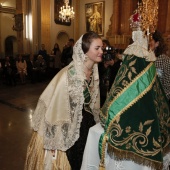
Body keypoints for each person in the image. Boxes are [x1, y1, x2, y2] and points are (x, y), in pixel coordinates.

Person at [99, 6, 170, 170]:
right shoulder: (138, 55)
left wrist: (159, 101)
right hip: (136, 105)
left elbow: (166, 86)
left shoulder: (161, 60)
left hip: (154, 104)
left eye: (150, 39)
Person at [24, 31, 103, 170]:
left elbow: (92, 102)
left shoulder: (94, 70)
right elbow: (57, 108)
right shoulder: (69, 75)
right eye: (97, 48)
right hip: (68, 127)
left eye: (101, 48)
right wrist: (55, 140)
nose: (101, 51)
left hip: (85, 126)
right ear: (85, 50)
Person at [149, 30, 170, 104]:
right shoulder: (144, 58)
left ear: (157, 44)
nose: (148, 43)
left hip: (161, 100)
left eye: (150, 40)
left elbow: (168, 85)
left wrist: (161, 99)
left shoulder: (165, 60)